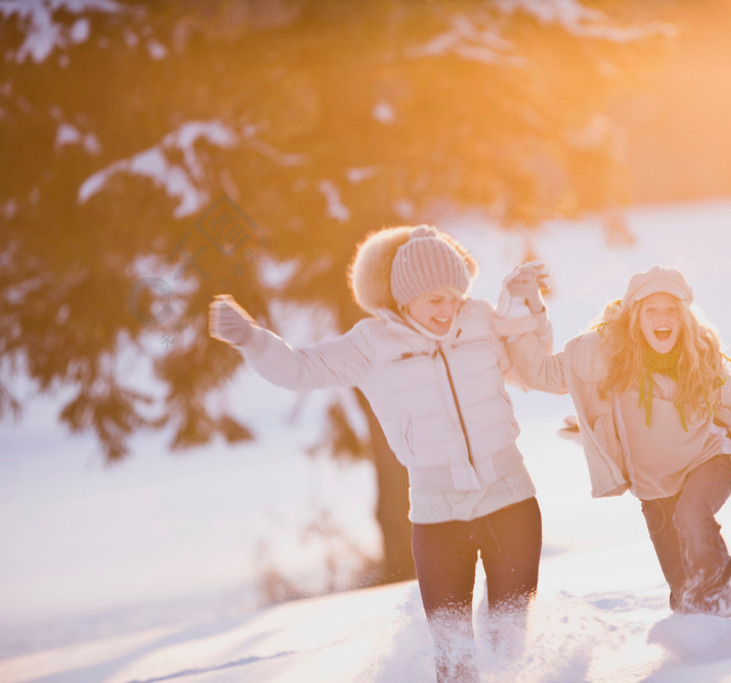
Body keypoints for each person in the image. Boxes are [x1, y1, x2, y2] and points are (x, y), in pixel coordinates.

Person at [208, 225, 551, 681]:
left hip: (511, 504)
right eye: (435, 300)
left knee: (510, 645)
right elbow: (300, 368)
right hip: (439, 521)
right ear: (404, 297)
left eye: (455, 296)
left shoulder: (483, 319)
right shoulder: (371, 344)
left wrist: (533, 308)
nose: (448, 310)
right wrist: (251, 338)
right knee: (454, 659)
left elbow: (533, 369)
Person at [504, 266, 731, 617]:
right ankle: (708, 632)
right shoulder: (601, 353)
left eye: (671, 310)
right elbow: (539, 372)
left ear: (683, 317)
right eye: (651, 309)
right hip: (653, 489)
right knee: (683, 592)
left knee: (693, 516)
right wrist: (526, 305)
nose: (661, 318)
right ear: (634, 316)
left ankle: (715, 600)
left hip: (707, 463)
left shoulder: (701, 352)